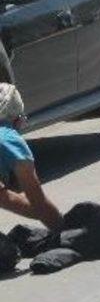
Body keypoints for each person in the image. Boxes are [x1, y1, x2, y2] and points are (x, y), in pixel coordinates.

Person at [0, 84, 63, 231]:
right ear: (16, 119)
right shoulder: (8, 139)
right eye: (22, 118)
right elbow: (37, 200)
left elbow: (6, 199)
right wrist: (66, 231)